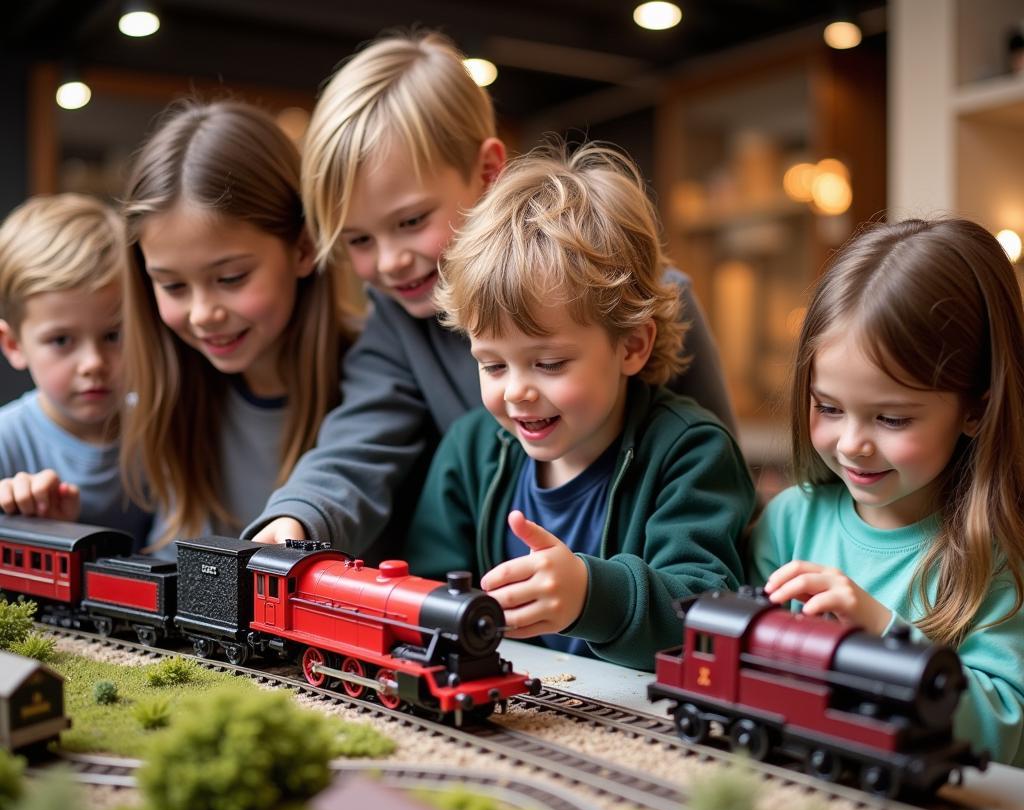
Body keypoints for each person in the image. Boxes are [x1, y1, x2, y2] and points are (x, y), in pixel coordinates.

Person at [246, 30, 737, 559]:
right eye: (359, 240)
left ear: (487, 171)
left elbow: (715, 472)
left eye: (411, 221)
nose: (389, 261)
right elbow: (362, 440)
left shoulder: (655, 298)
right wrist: (302, 510)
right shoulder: (395, 321)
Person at [404, 143, 755, 670]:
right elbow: (426, 591)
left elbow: (706, 617)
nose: (517, 391)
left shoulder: (691, 453)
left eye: (548, 364)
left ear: (632, 346)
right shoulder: (469, 451)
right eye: (494, 365)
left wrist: (594, 597)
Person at [750, 218, 1024, 766]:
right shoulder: (788, 524)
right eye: (827, 407)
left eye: (892, 419)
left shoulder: (998, 556)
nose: (852, 444)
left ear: (976, 408)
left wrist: (882, 637)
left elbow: (1007, 735)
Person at [119, 99, 346, 552]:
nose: (203, 313)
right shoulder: (169, 395)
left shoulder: (378, 378)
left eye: (230, 278)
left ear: (303, 248)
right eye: (172, 286)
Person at [0, 193, 152, 548]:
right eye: (62, 340)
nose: (93, 363)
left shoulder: (156, 431)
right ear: (13, 345)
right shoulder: (7, 441)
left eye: (114, 335)